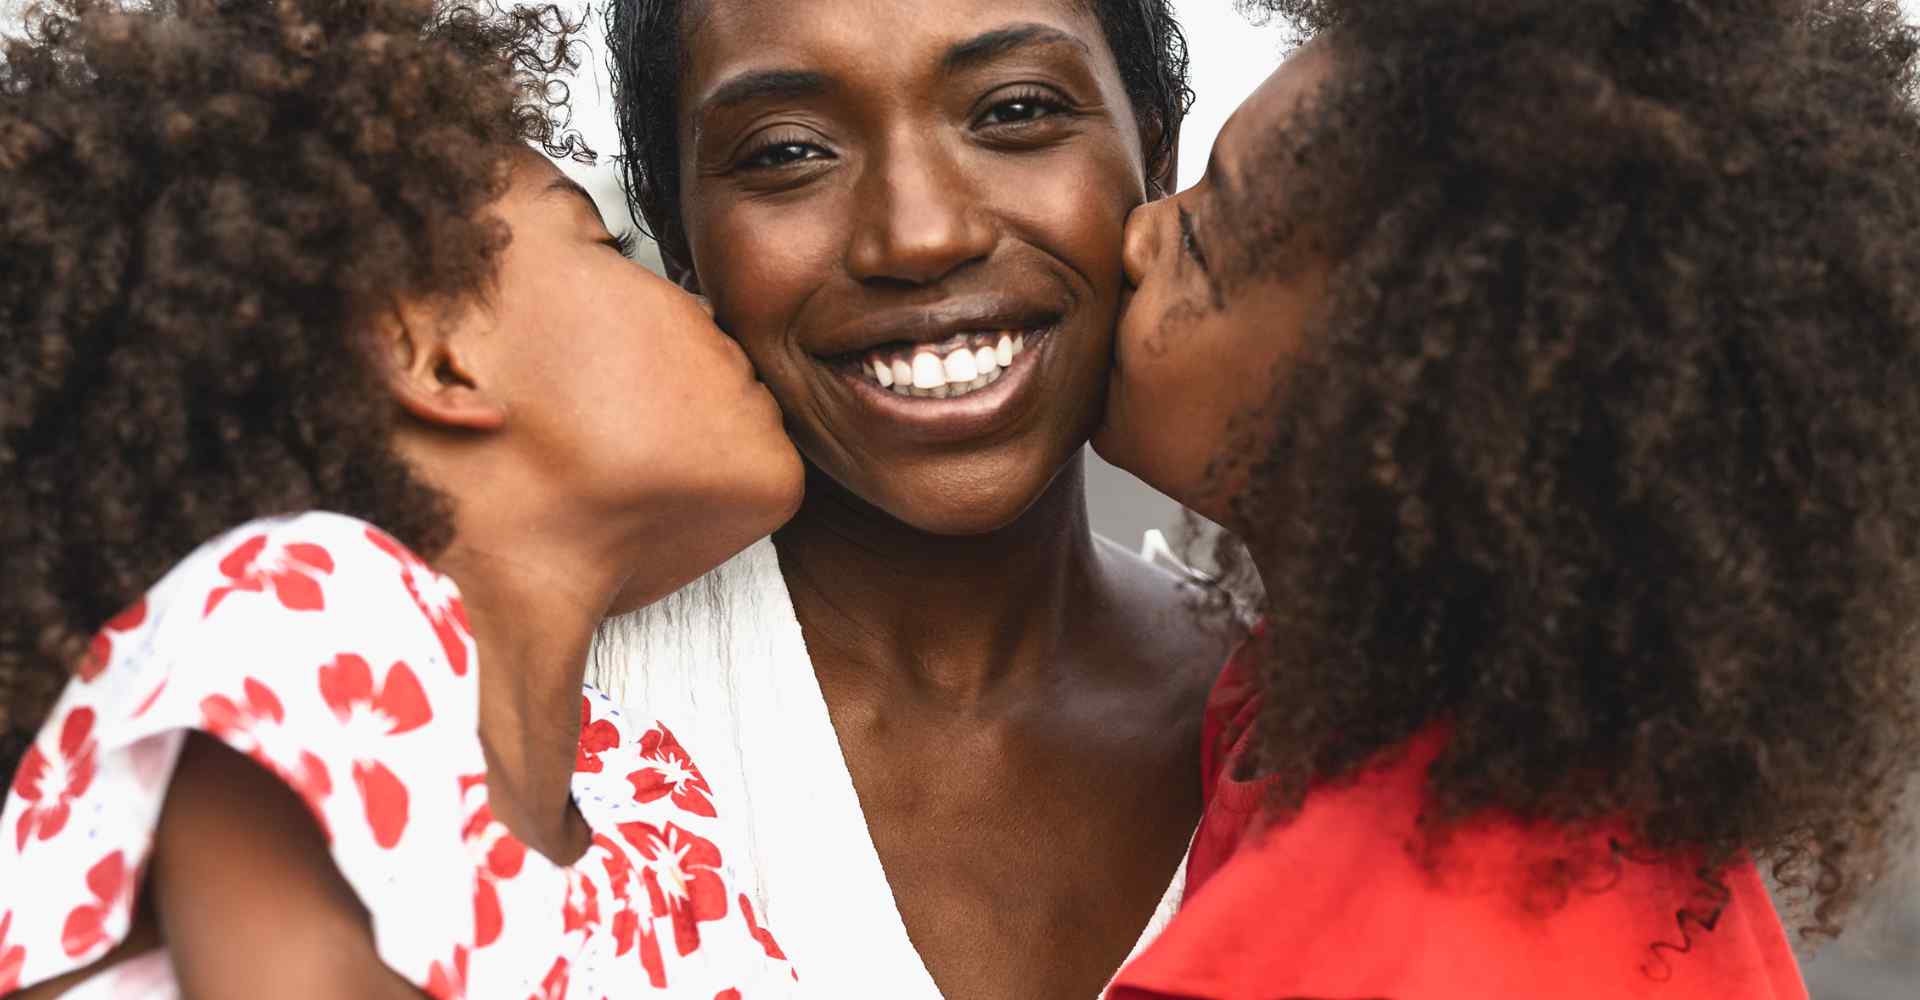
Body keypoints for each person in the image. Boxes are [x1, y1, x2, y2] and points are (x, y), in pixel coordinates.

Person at [1094, 0, 1920, 996]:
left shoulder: (1309, 960)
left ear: (1388, 393)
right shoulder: (1590, 804)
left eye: (1204, 232)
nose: (1139, 236)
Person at [0, 0, 805, 996]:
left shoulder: (648, 800)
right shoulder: (306, 599)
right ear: (435, 356)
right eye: (607, 245)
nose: (703, 297)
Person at [596, 1, 1226, 996]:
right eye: (787, 153)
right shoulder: (536, 709)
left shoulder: (1343, 730)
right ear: (680, 233)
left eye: (1014, 111)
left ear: (1156, 157)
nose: (920, 235)